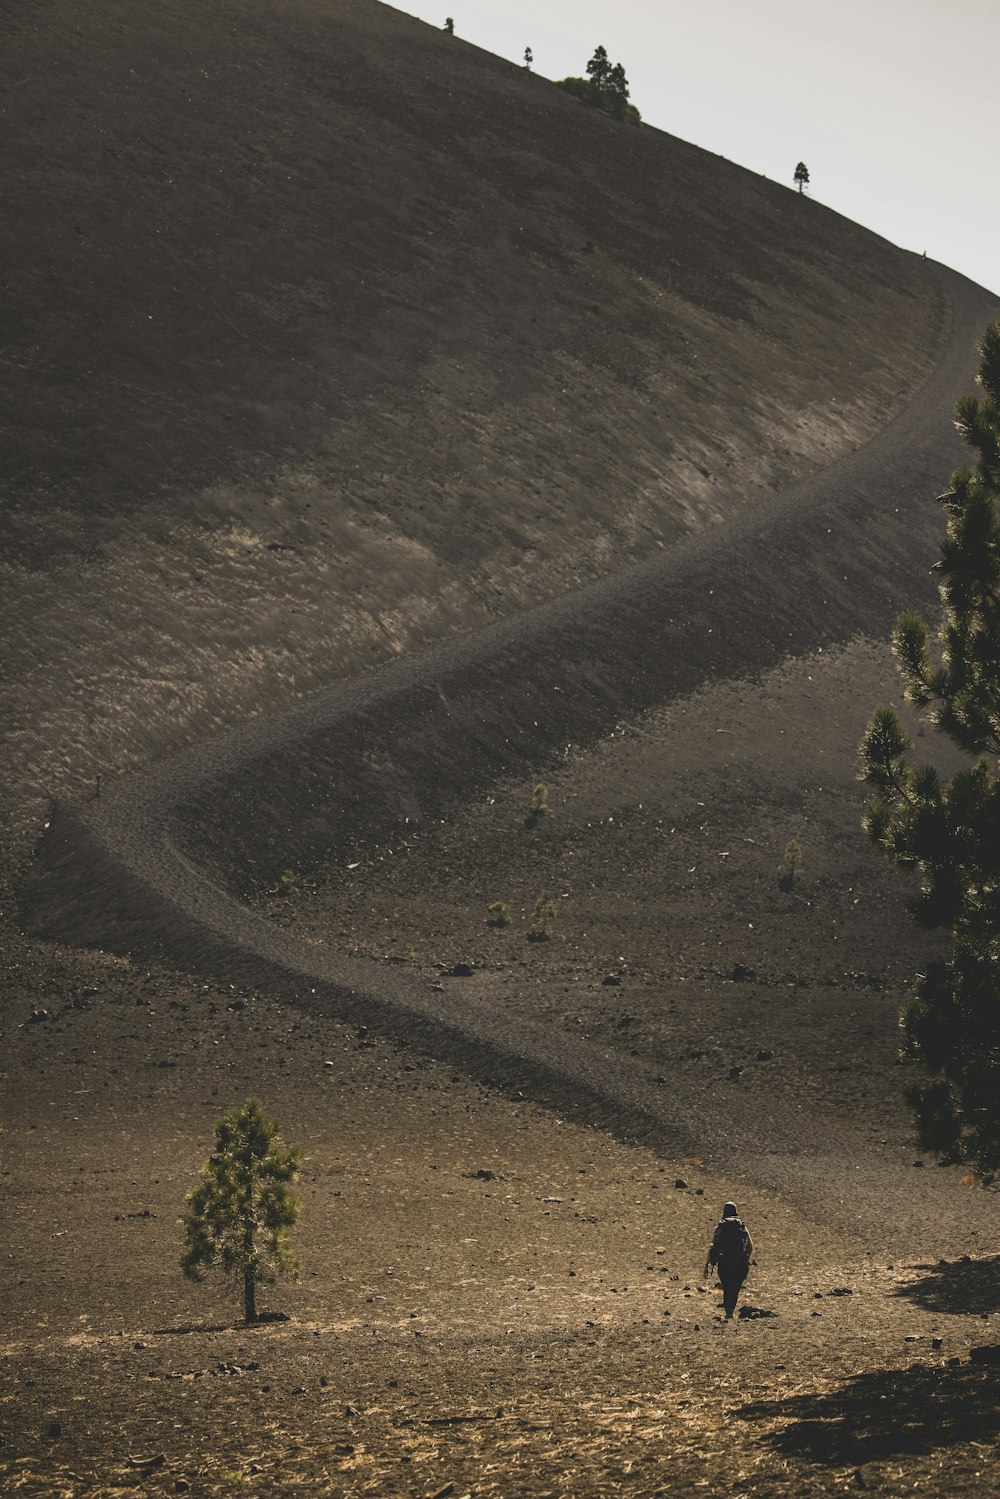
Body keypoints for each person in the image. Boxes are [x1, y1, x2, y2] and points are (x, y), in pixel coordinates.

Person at [704, 1201, 753, 1319]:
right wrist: (745, 1259)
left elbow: (712, 1247)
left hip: (724, 1262)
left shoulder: (719, 1228)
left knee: (727, 1287)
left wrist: (706, 1265)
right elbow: (750, 1247)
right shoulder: (742, 1227)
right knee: (735, 1288)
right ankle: (731, 1310)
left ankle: (728, 1312)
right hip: (739, 1263)